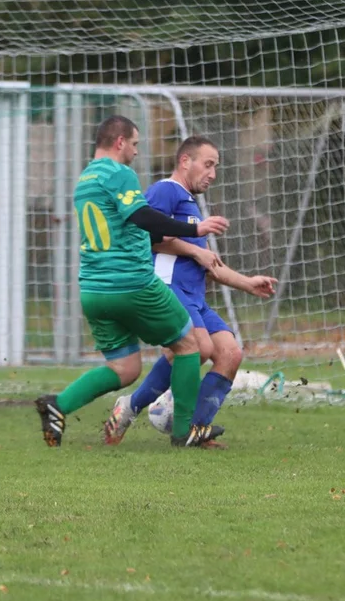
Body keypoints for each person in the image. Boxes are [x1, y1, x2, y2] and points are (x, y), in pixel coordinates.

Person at [35, 116, 230, 448]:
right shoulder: (118, 173)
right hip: (132, 283)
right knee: (190, 346)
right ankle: (185, 431)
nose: (138, 152)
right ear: (119, 142)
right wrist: (194, 230)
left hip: (93, 289)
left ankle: (59, 404)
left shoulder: (85, 179)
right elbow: (140, 216)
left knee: (124, 369)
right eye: (136, 143)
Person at [102, 136, 277, 446]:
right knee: (198, 348)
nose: (212, 173)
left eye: (216, 167)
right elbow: (147, 236)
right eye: (208, 164)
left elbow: (211, 262)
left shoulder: (191, 205)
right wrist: (195, 251)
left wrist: (247, 282)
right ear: (185, 161)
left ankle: (195, 429)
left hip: (194, 297)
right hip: (168, 288)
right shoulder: (165, 190)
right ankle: (132, 407)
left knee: (230, 353)